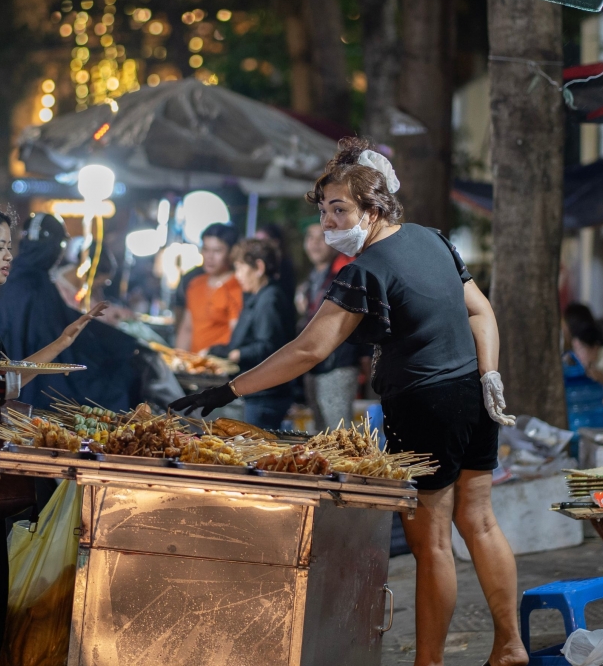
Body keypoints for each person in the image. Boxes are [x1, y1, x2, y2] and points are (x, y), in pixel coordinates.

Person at [171, 138, 526, 666]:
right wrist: (488, 373)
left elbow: (309, 349)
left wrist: (229, 389)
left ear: (374, 208)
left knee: (431, 541)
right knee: (480, 522)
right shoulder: (433, 239)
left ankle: (429, 662)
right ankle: (510, 646)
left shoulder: (366, 270)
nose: (328, 223)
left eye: (340, 210)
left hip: (424, 406)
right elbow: (481, 312)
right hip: (472, 395)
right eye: (324, 211)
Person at [0, 203, 106, 665]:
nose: (9, 256)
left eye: (11, 247)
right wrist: (57, 351)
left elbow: (0, 378)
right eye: (0, 246)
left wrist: (62, 342)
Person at [0, 213, 144, 411]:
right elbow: (57, 335)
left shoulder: (9, 280)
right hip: (31, 388)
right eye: (60, 245)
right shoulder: (37, 287)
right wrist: (121, 344)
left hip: (10, 386)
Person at [206, 237, 297, 428]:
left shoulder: (269, 299)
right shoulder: (259, 296)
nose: (237, 275)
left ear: (259, 267)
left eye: (240, 268)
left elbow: (269, 346)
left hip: (266, 395)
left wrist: (237, 354)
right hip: (258, 392)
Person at [297, 222, 359, 431]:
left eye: (321, 237)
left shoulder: (345, 273)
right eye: (310, 237)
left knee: (338, 431)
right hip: (315, 363)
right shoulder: (312, 279)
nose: (314, 243)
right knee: (320, 431)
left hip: (337, 364)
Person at [175, 222, 243, 353]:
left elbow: (236, 335)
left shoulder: (237, 286)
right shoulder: (195, 284)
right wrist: (178, 359)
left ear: (231, 252)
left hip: (219, 362)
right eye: (205, 249)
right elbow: (187, 328)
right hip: (194, 362)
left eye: (217, 251)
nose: (209, 257)